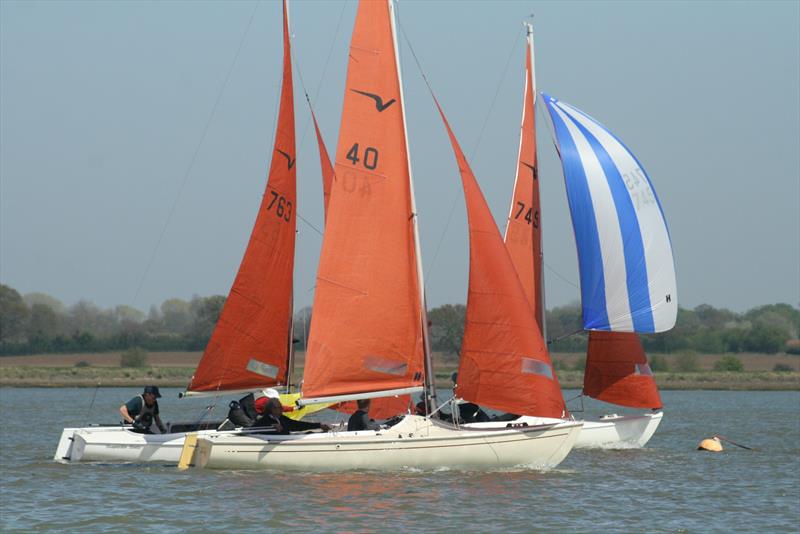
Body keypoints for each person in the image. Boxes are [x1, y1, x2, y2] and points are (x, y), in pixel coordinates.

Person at [254, 398, 331, 434]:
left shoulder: (281, 418)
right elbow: (251, 430)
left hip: (288, 439)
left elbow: (296, 425)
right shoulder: (264, 420)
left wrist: (318, 425)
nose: (282, 409)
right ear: (272, 409)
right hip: (280, 444)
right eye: (280, 407)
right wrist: (271, 427)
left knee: (310, 433)